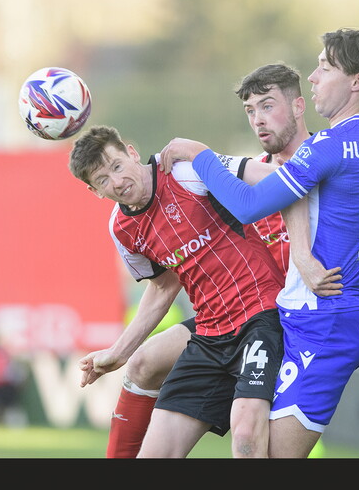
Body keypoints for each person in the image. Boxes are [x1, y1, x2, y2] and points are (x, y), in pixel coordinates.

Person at [159, 27, 359, 457]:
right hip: (332, 312)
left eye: (325, 67)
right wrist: (323, 260)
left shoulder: (331, 144)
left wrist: (200, 155)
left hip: (325, 318)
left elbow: (250, 204)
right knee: (250, 443)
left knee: (272, 457)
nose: (312, 77)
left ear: (358, 80)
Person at [96, 63, 329, 458]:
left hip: (283, 316)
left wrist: (195, 152)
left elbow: (291, 187)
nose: (258, 119)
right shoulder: (253, 169)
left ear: (299, 106)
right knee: (143, 362)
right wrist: (117, 351)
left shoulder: (325, 163)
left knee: (254, 440)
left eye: (266, 107)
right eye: (250, 111)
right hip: (222, 321)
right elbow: (166, 282)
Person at [69, 124, 287, 458]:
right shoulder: (122, 228)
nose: (117, 182)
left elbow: (276, 179)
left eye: (116, 166)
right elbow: (164, 284)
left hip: (263, 315)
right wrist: (118, 351)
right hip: (211, 332)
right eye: (102, 180)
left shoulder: (183, 170)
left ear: (131, 152)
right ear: (94, 191)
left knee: (245, 437)